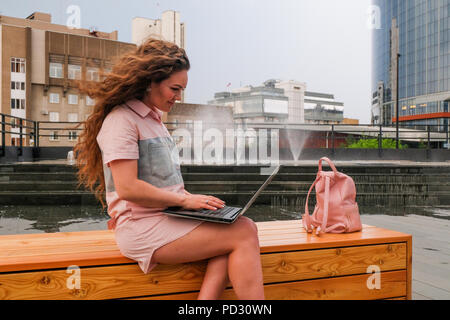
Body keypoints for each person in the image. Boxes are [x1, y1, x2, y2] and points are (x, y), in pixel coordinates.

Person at [74, 38, 264, 300]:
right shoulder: (121, 121)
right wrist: (186, 200)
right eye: (174, 88)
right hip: (142, 227)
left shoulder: (154, 120)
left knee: (237, 228)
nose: (178, 97)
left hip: (168, 217)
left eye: (182, 90)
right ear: (150, 81)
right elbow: (127, 188)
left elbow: (164, 182)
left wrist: (198, 205)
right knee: (243, 233)